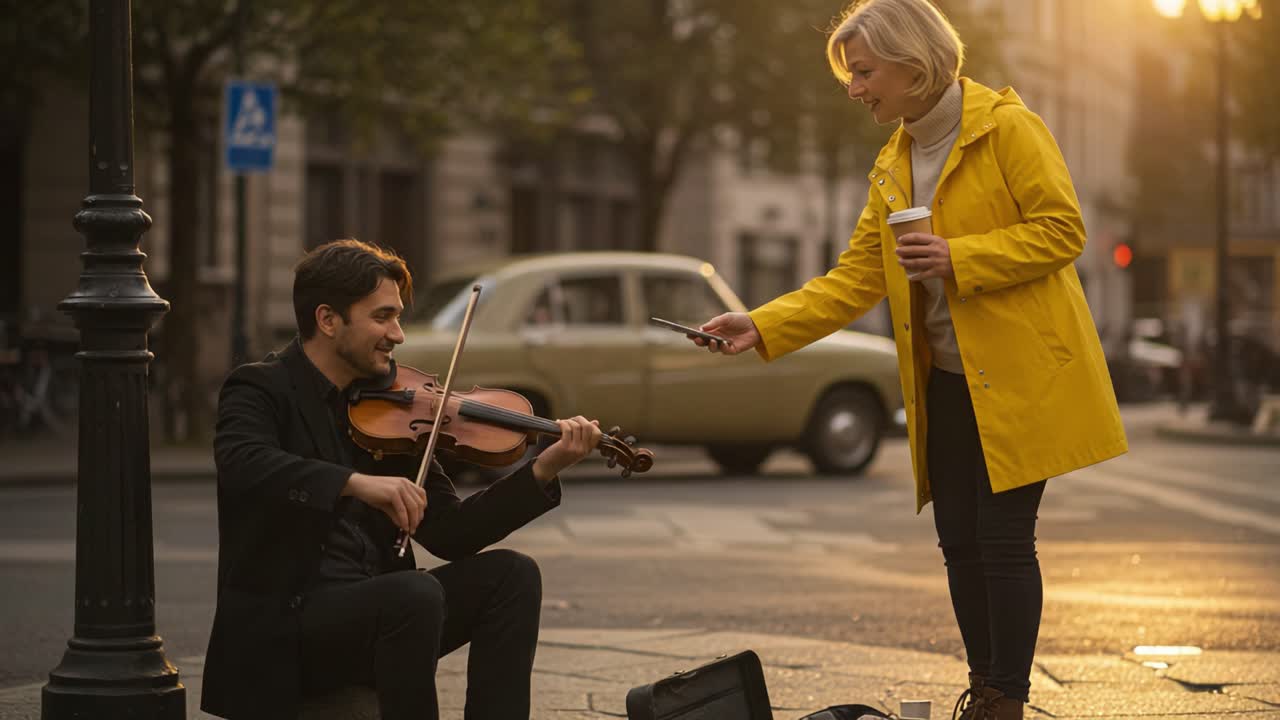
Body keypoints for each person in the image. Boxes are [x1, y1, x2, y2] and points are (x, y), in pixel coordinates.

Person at [689, 1, 1128, 718]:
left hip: (1020, 381)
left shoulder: (1008, 127)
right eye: (849, 76)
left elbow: (1062, 230)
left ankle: (1005, 704)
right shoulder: (893, 161)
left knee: (1004, 540)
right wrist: (761, 326)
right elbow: (855, 279)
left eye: (863, 72)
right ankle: (984, 684)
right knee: (957, 540)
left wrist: (961, 257)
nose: (855, 88)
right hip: (946, 381)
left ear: (912, 61)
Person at [200, 239, 603, 720]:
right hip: (290, 625)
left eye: (398, 317)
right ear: (328, 320)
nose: (398, 334)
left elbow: (452, 533)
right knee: (413, 592)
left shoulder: (392, 405)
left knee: (512, 576)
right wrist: (355, 482)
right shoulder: (260, 388)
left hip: (387, 615)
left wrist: (543, 468)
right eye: (382, 317)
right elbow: (245, 462)